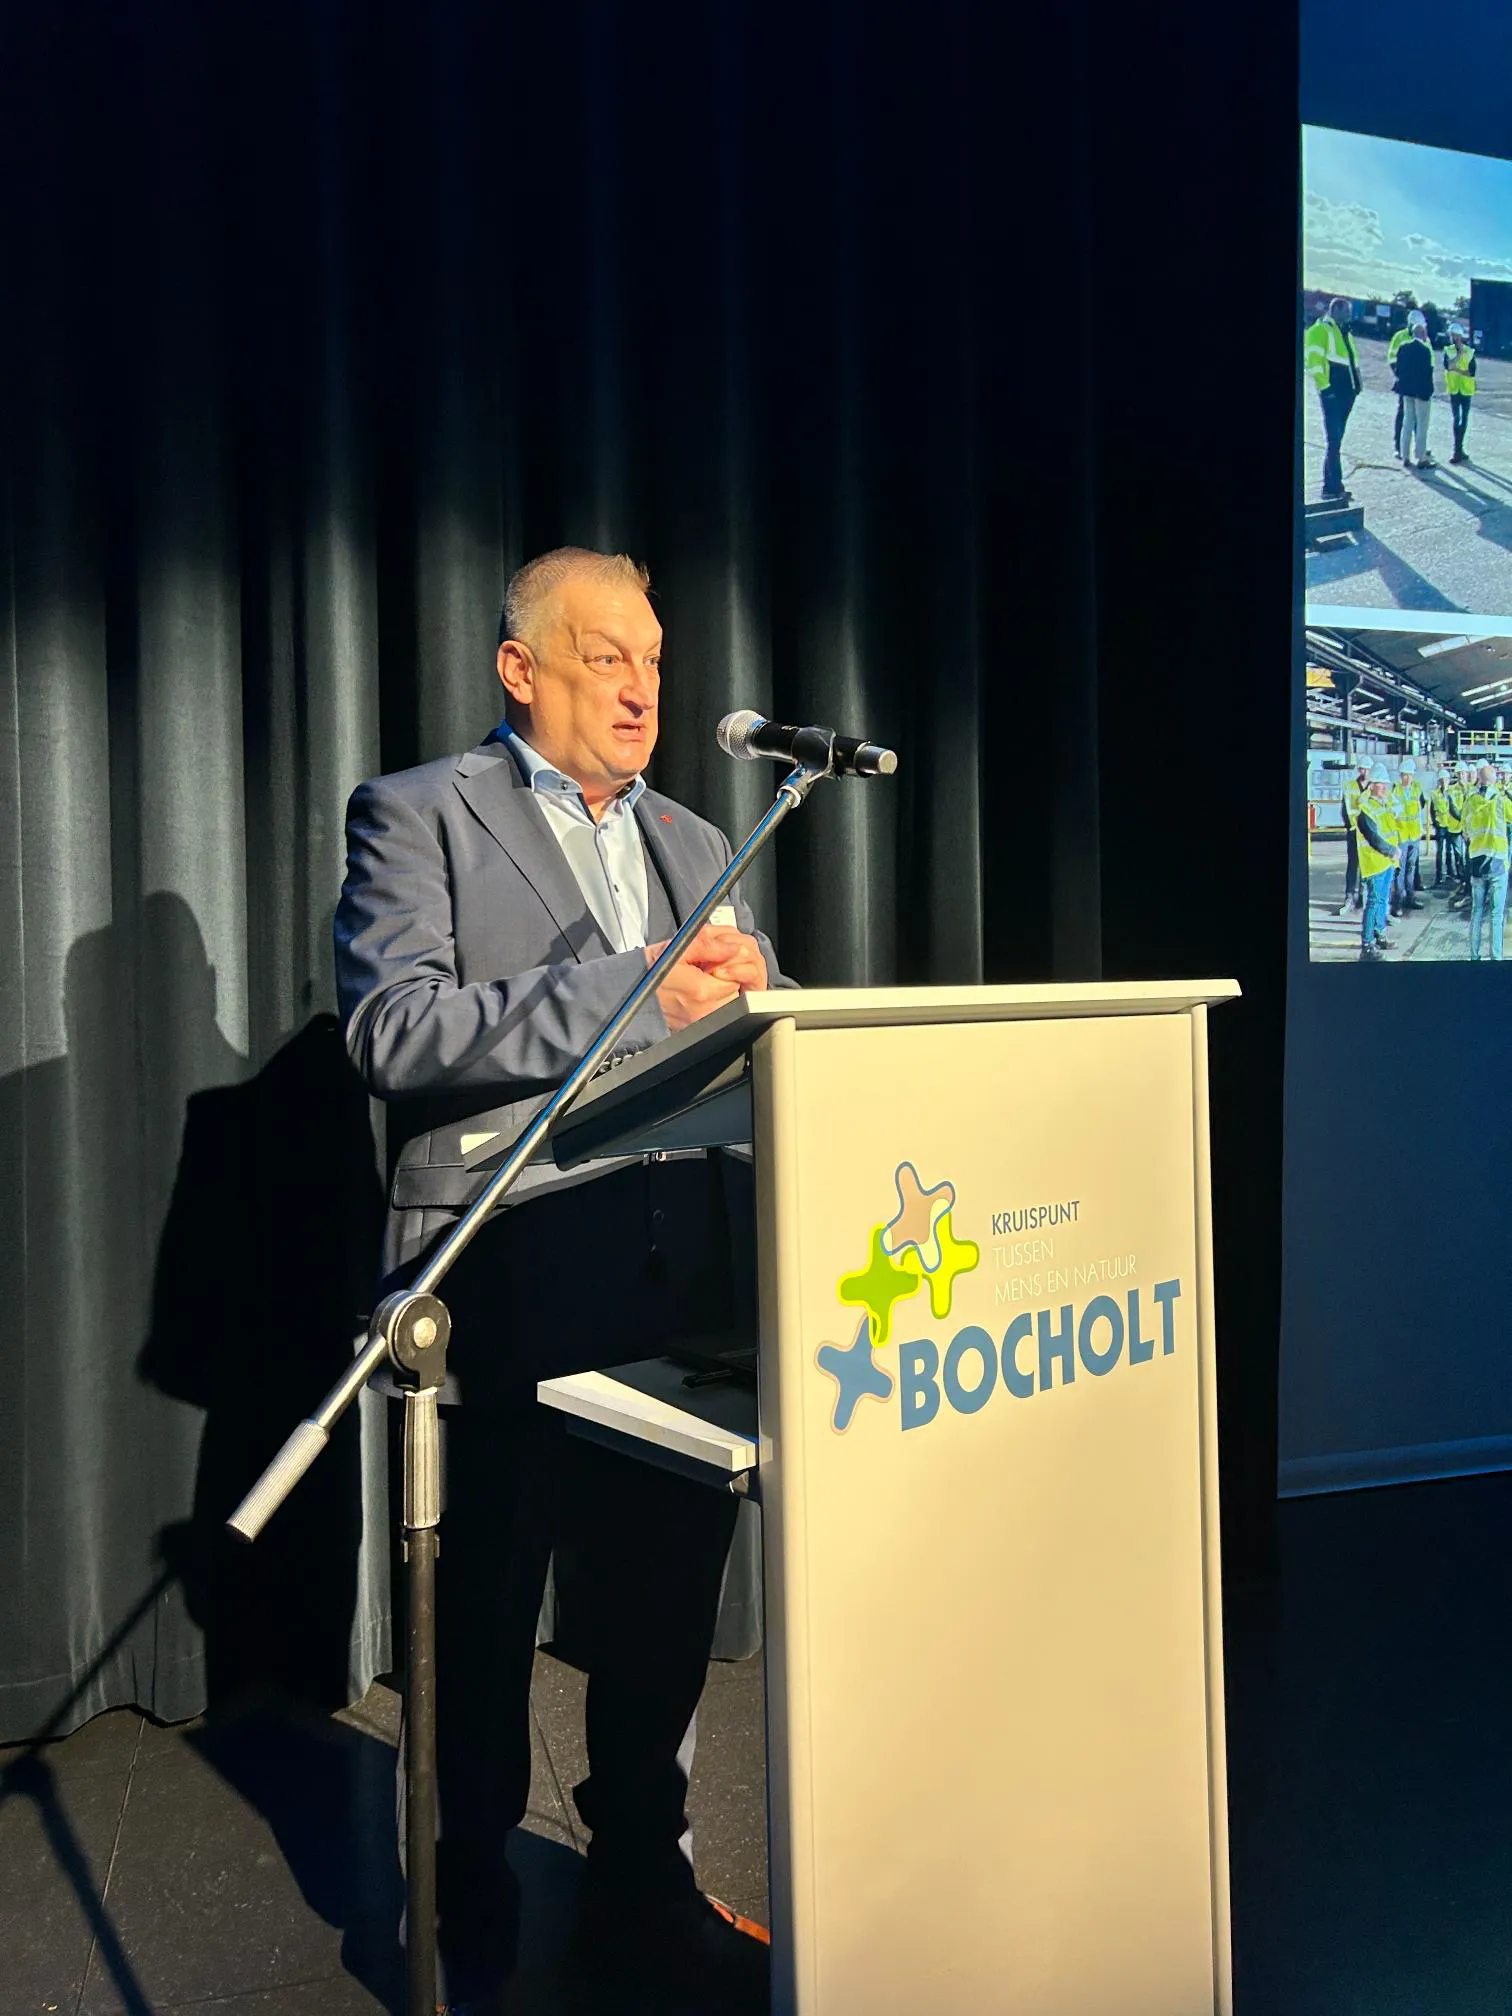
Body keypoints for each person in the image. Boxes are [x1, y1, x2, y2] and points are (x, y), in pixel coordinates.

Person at [334, 547, 788, 2007]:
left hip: (677, 1268)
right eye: (607, 657)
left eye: (652, 659)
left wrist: (771, 1007)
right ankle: (466, 1889)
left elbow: (741, 1027)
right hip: (505, 1264)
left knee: (662, 1598)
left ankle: (643, 1882)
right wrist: (637, 988)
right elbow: (394, 1031)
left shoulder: (701, 834)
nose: (643, 688)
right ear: (519, 670)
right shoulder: (420, 812)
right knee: (484, 1606)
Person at [1304, 298, 1364, 500]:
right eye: (1346, 311)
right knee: (1334, 440)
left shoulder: (1344, 331)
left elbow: (1352, 360)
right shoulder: (1320, 330)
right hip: (1333, 394)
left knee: (1336, 442)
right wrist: (1325, 389)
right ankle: (1332, 487)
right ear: (1335, 309)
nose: (1349, 315)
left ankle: (1331, 485)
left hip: (1347, 393)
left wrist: (1358, 385)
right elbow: (1314, 362)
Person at [1463, 758, 1509, 960]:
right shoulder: (1500, 800)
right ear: (1495, 780)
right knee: (1496, 915)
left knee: (1477, 912)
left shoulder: (1470, 801)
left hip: (1476, 864)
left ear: (1479, 780)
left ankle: (1474, 957)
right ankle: (1496, 958)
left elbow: (1465, 832)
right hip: (1497, 863)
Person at [1356, 763, 1399, 960]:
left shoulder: (1383, 805)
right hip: (1374, 864)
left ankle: (1380, 934)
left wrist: (1393, 853)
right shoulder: (1366, 809)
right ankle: (1367, 945)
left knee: (1382, 900)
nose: (1385, 787)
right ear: (1372, 785)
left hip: (1386, 862)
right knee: (1373, 902)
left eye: (1385, 784)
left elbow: (1390, 828)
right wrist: (1391, 851)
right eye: (1381, 783)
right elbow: (1373, 838)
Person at [1395, 311, 1437, 469]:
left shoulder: (1403, 348)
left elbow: (1399, 370)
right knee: (1422, 425)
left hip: (1406, 391)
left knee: (1407, 422)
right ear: (1422, 333)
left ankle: (1405, 456)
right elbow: (1427, 374)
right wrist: (1429, 392)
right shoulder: (1425, 351)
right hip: (1421, 393)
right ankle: (1421, 457)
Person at [1391, 758, 1426, 916]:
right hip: (1402, 836)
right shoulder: (1395, 791)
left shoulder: (1417, 789)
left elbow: (1420, 808)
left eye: (1410, 775)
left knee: (1411, 868)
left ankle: (1410, 897)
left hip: (1414, 835)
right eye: (1405, 775)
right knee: (1400, 870)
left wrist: (1421, 829)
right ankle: (1397, 902)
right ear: (1401, 776)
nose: (1408, 778)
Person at [1442, 320, 1478, 464]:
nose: (1454, 338)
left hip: (1466, 390)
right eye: (1452, 335)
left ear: (1461, 336)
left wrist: (1457, 369)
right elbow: (1448, 365)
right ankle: (1456, 450)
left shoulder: (1469, 352)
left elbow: (1472, 372)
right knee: (1457, 419)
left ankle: (1459, 448)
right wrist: (1458, 358)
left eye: (1456, 335)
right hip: (1454, 390)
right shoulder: (1448, 350)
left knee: (1464, 420)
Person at [1340, 754, 1370, 911]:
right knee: (1353, 864)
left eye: (1367, 769)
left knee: (1367, 865)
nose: (1364, 771)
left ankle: (1363, 896)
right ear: (1359, 769)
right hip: (1353, 831)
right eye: (1362, 769)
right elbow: (1344, 808)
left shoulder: (1373, 787)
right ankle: (1349, 896)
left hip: (1369, 834)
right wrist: (1349, 825)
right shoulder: (1350, 786)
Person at [1431, 766, 1463, 887]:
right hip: (1441, 827)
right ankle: (1439, 876)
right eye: (1442, 780)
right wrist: (1435, 823)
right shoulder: (1434, 794)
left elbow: (1454, 808)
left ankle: (1451, 873)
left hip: (1450, 826)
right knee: (1439, 852)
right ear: (1439, 781)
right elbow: (1432, 810)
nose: (1444, 782)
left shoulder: (1453, 792)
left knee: (1450, 851)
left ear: (1449, 780)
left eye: (1446, 779)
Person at [1387, 316, 1412, 458]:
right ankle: (1398, 446)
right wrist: (1399, 375)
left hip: (1418, 384)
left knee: (1418, 416)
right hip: (1404, 381)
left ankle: (1419, 446)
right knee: (1402, 413)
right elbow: (1392, 358)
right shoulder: (1400, 336)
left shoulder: (1424, 337)